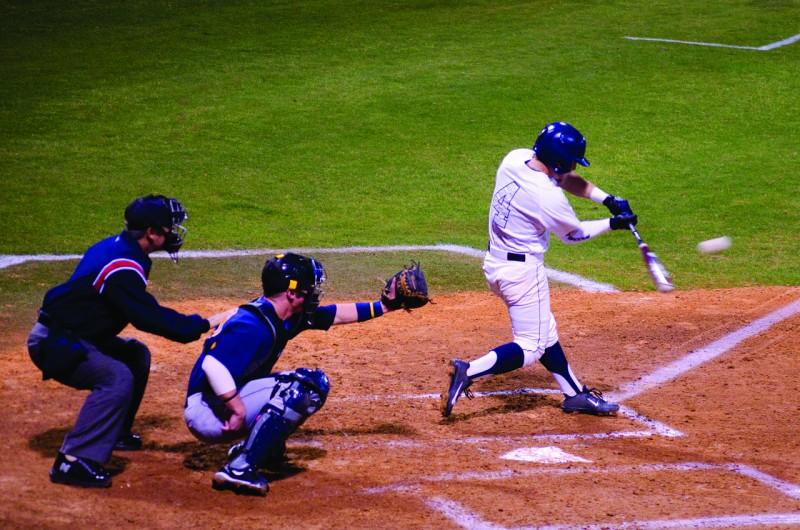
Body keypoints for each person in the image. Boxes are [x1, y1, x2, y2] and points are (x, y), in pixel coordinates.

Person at [28, 194, 231, 488]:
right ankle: (72, 461)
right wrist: (202, 324)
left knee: (135, 356)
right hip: (56, 341)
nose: (173, 233)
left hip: (76, 333)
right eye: (168, 228)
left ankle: (115, 432)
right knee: (116, 377)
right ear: (151, 232)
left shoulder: (119, 247)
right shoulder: (122, 266)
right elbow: (148, 316)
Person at [441, 122, 637, 418]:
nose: (573, 166)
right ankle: (469, 370)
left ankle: (573, 394)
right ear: (559, 160)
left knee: (545, 330)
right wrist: (613, 223)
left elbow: (565, 177)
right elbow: (574, 235)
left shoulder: (515, 158)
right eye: (571, 160)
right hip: (522, 273)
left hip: (496, 264)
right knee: (531, 346)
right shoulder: (547, 196)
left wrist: (606, 199)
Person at [183, 252, 418, 496]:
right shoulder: (254, 325)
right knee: (302, 388)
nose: (314, 294)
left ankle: (263, 449)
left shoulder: (284, 314)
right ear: (291, 293)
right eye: (309, 289)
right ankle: (240, 468)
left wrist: (385, 306)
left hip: (221, 399)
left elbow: (335, 314)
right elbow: (212, 364)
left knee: (303, 385)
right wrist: (237, 407)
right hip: (208, 411)